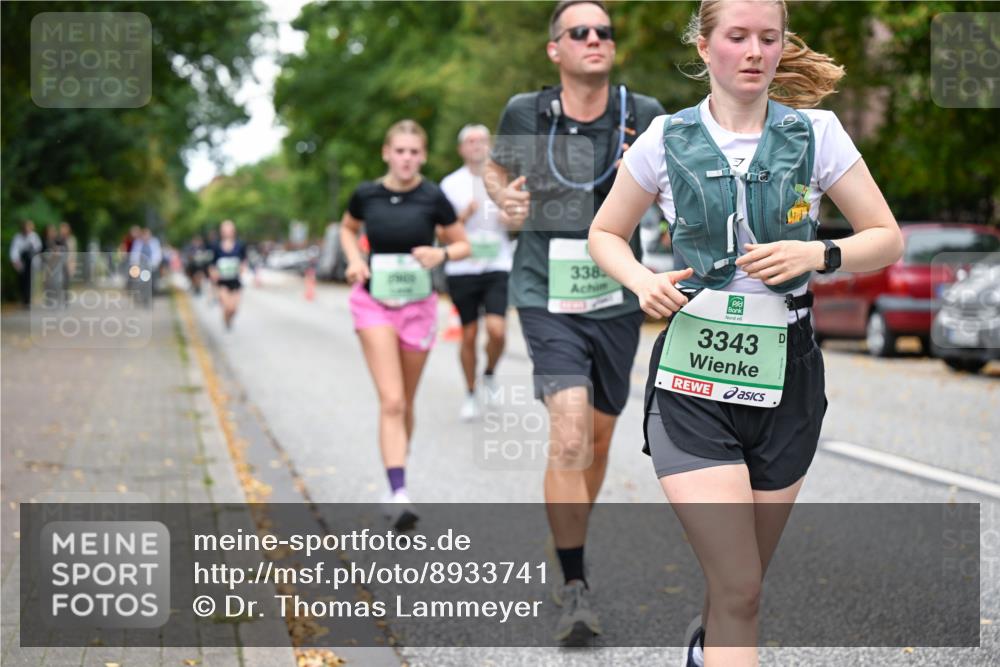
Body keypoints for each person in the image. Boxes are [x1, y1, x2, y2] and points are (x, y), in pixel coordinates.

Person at [587, 1, 903, 664]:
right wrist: (643, 280)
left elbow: (886, 238)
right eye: (738, 37)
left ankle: (706, 649)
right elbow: (605, 232)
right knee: (740, 582)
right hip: (693, 379)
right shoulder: (664, 140)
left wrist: (819, 254)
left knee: (741, 591)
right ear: (705, 48)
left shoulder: (817, 134)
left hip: (789, 372)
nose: (756, 51)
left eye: (769, 37)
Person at [485, 0, 666, 641]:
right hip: (544, 291)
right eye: (579, 31)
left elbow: (684, 186)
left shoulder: (643, 117)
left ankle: (567, 538)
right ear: (555, 50)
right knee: (568, 434)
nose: (595, 38)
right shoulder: (526, 112)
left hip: (618, 299)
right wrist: (500, 193)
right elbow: (497, 167)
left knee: (594, 439)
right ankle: (574, 584)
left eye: (604, 31)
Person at [340, 120, 471, 531]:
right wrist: (355, 260)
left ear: (424, 156)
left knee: (407, 402)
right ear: (386, 153)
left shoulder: (434, 197)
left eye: (415, 152)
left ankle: (394, 476)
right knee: (392, 400)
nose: (407, 159)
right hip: (374, 303)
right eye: (400, 151)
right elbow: (347, 228)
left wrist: (442, 255)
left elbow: (462, 244)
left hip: (418, 308)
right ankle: (399, 492)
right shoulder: (366, 194)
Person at [441, 124, 514, 421]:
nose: (476, 145)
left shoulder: (502, 179)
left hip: (497, 264)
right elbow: (441, 233)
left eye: (482, 140)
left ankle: (489, 373)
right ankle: (470, 393)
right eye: (470, 141)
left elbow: (518, 222)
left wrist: (510, 216)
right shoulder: (450, 185)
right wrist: (462, 216)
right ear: (461, 149)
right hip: (462, 268)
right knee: (468, 335)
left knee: (497, 331)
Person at [208, 220, 248, 331]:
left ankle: (229, 319)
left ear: (233, 231)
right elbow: (212, 264)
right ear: (221, 232)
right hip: (222, 282)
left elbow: (244, 261)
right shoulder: (216, 246)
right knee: (227, 307)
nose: (227, 232)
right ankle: (226, 320)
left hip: (235, 281)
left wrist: (242, 268)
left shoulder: (240, 245)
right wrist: (213, 275)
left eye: (229, 230)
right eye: (225, 230)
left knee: (234, 309)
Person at [10, 219, 42, 307]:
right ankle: (24, 299)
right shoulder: (17, 237)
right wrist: (15, 261)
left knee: (30, 281)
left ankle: (28, 300)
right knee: (22, 281)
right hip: (21, 262)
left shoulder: (34, 236)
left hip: (31, 262)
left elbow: (38, 249)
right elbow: (14, 250)